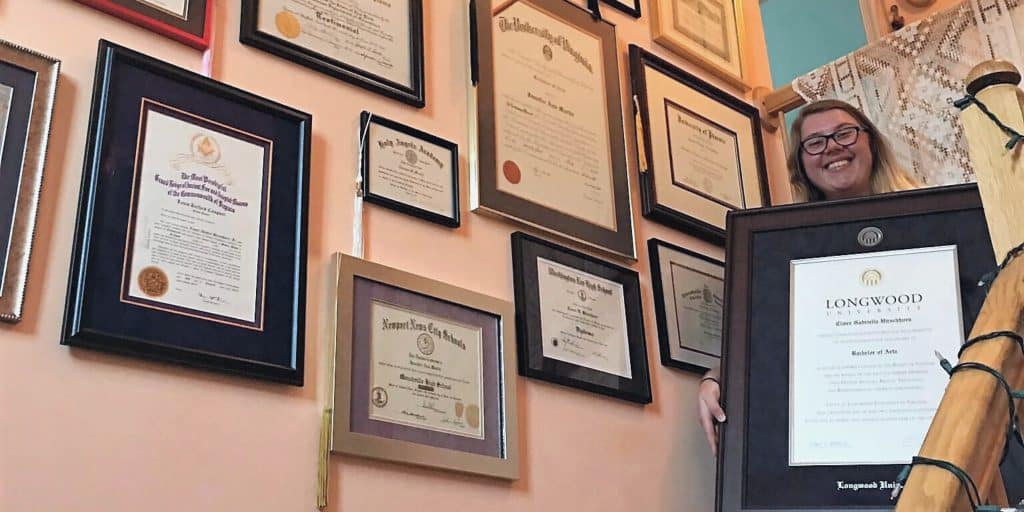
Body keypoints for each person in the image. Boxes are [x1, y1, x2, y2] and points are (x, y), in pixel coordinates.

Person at [696, 99, 919, 455]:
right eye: (814, 143)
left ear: (871, 143)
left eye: (844, 133)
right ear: (801, 165)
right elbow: (767, 337)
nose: (832, 147)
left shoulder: (932, 223)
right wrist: (715, 377)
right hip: (835, 428)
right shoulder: (788, 251)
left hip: (925, 414)